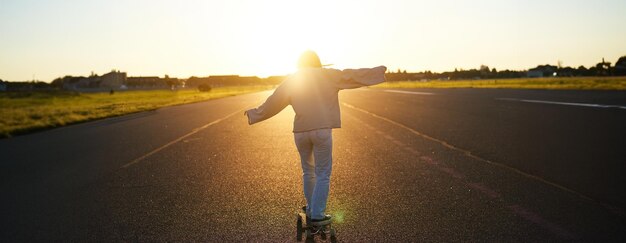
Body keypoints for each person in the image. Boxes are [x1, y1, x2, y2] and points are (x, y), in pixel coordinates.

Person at [245, 50, 386, 225]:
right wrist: (378, 72)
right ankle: (317, 214)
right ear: (317, 62)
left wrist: (254, 114)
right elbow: (352, 75)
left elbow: (274, 102)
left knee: (308, 171)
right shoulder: (328, 75)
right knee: (323, 173)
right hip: (321, 130)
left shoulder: (293, 79)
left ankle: (311, 209)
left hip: (301, 132)